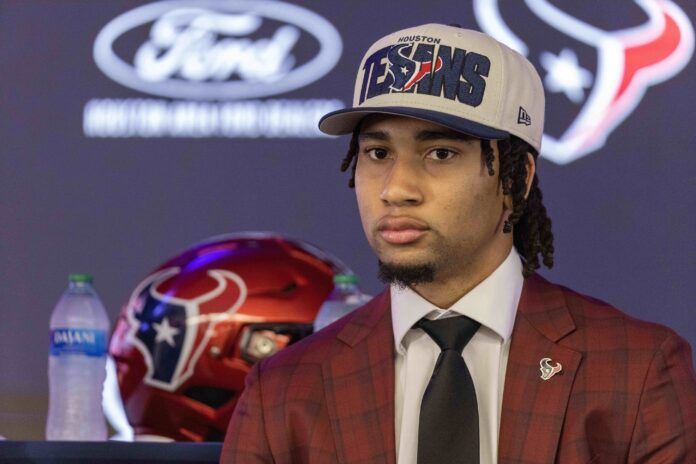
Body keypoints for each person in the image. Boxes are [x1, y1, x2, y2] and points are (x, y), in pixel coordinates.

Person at [221, 24, 696, 463]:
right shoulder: (281, 391)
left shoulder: (638, 370)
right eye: (378, 153)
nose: (396, 188)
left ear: (518, 178)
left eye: (440, 153)